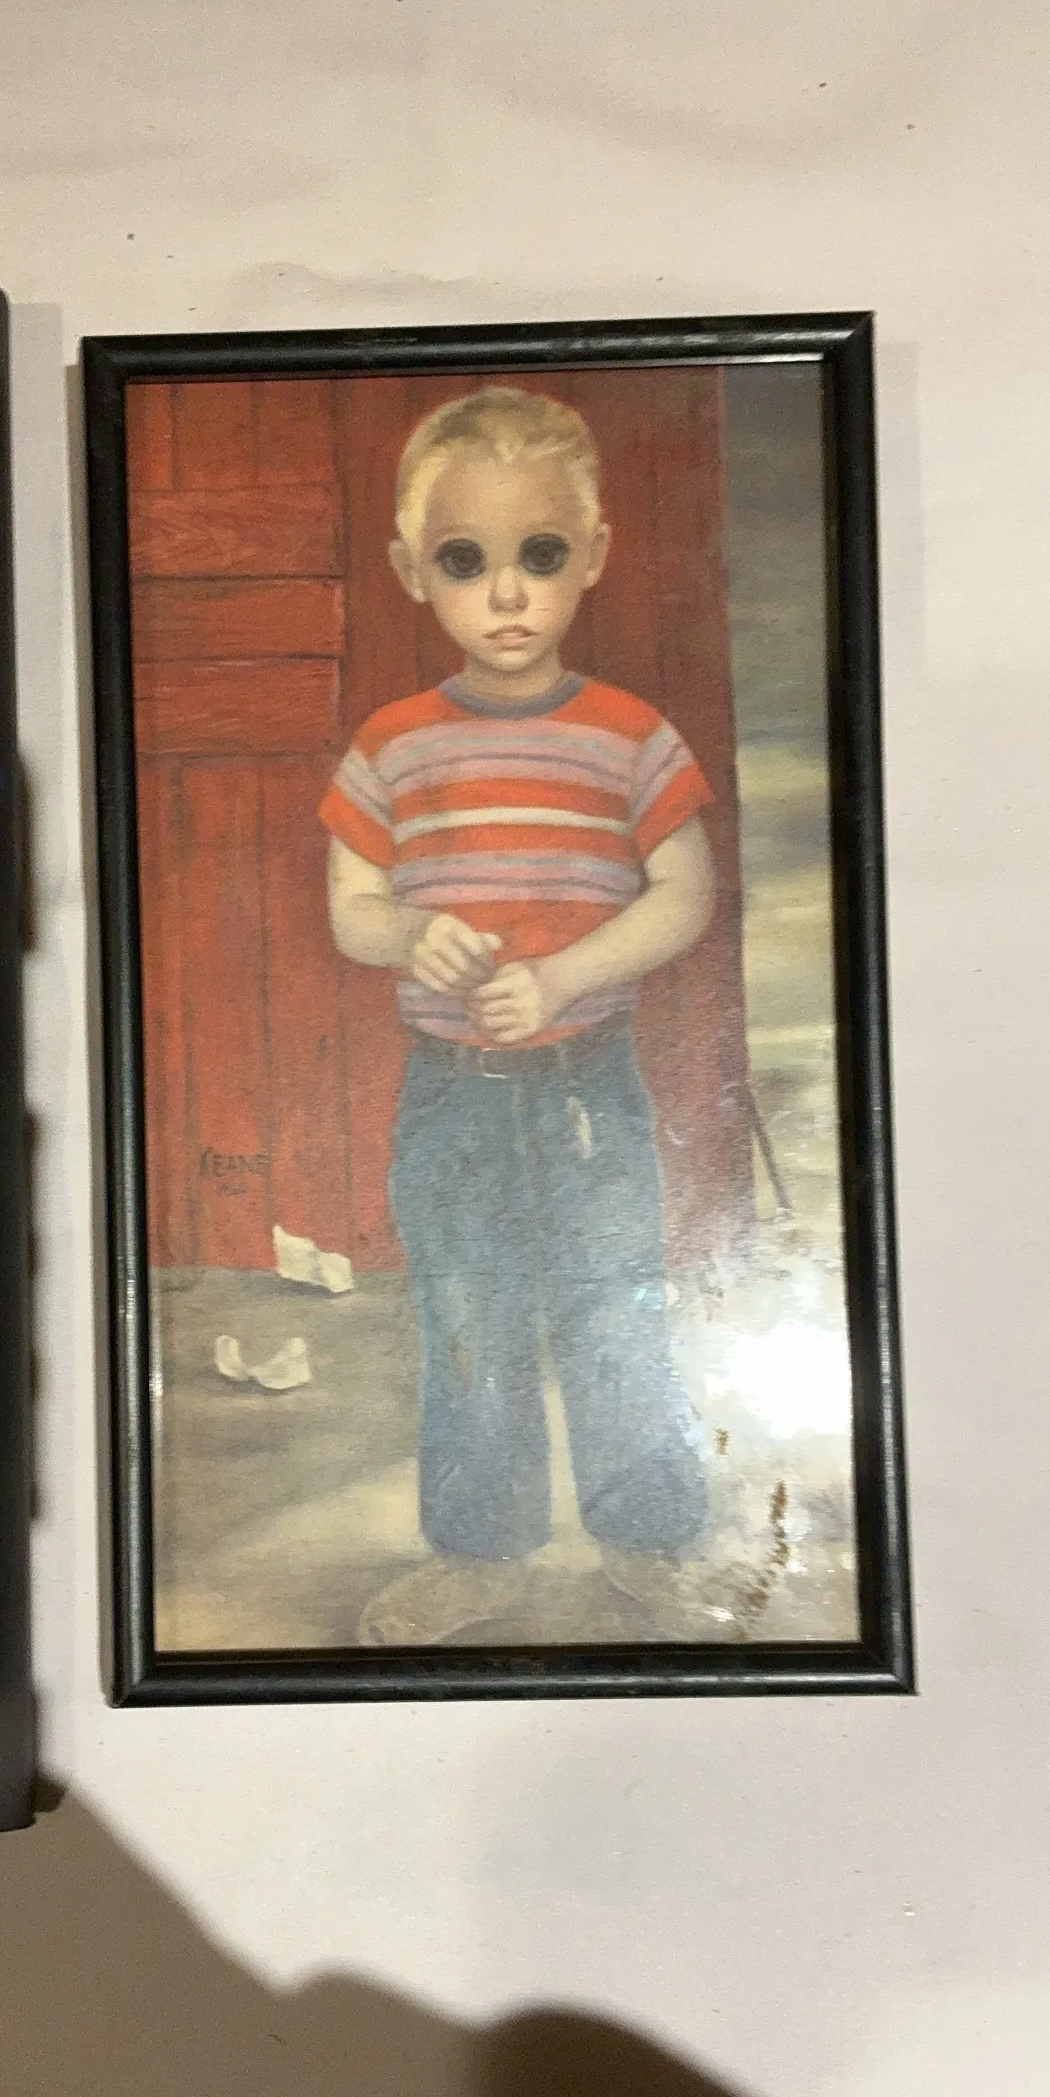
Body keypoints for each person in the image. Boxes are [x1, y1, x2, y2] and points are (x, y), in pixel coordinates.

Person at [319, 386, 716, 1647]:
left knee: (614, 1305)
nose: (504, 593)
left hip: (590, 1079)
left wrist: (562, 977)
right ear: (410, 571)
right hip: (450, 1092)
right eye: (464, 560)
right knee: (465, 1318)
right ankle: (480, 1554)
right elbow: (351, 910)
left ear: (590, 555)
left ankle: (646, 1538)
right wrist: (408, 932)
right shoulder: (391, 747)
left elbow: (685, 896)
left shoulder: (631, 738)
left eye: (539, 555)